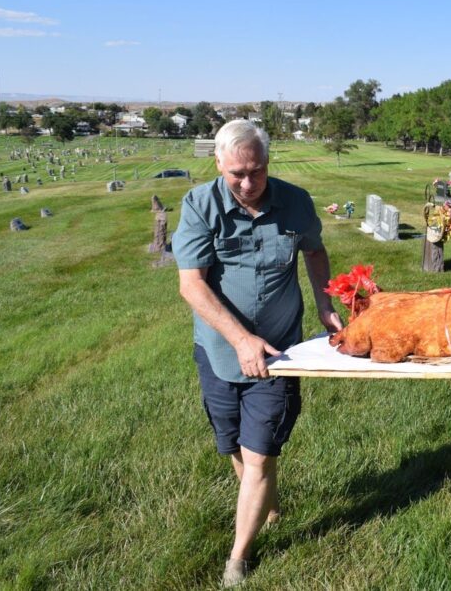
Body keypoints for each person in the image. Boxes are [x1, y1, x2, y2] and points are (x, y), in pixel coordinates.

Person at [172, 119, 342, 587]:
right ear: (219, 165)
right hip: (219, 353)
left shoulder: (296, 202)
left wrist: (326, 305)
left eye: (257, 171)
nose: (248, 184)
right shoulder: (200, 205)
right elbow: (192, 285)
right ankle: (264, 498)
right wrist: (240, 340)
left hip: (280, 352)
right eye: (237, 174)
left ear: (268, 163)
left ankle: (238, 558)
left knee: (261, 454)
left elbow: (315, 252)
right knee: (233, 444)